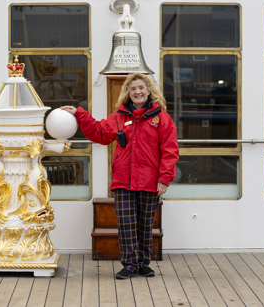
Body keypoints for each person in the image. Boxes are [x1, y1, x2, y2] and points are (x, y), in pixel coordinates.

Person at [61, 72, 179, 279]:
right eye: (133, 89)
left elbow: (170, 150)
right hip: (123, 181)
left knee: (145, 224)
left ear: (149, 91)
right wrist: (80, 114)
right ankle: (130, 265)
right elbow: (98, 132)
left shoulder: (162, 119)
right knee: (126, 224)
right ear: (128, 93)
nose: (137, 92)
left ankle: (143, 263)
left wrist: (164, 178)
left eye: (141, 88)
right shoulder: (118, 117)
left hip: (150, 181)